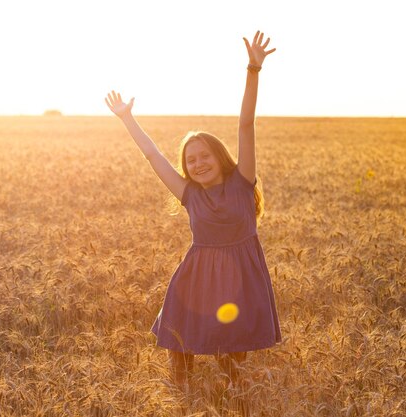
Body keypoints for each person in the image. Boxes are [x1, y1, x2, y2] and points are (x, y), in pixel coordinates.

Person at [105, 31, 281, 390]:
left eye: (204, 156)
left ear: (219, 157)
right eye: (191, 160)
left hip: (240, 280)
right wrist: (127, 118)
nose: (198, 164)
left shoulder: (242, 182)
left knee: (232, 362)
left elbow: (245, 124)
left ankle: (232, 401)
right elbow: (153, 156)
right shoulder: (189, 194)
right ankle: (182, 400)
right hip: (197, 278)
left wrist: (253, 69)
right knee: (181, 350)